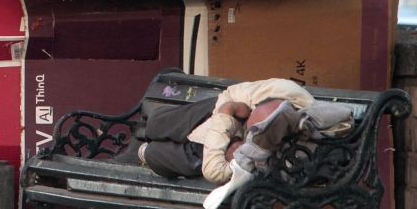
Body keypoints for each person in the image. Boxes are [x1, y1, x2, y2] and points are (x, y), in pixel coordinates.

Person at [115, 78, 314, 184]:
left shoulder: (282, 146)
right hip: (220, 117)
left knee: (156, 154)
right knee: (157, 122)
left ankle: (142, 152)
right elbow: (228, 94)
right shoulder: (283, 90)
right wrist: (232, 118)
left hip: (219, 148)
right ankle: (143, 140)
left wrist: (230, 124)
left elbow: (213, 170)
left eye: (250, 128)